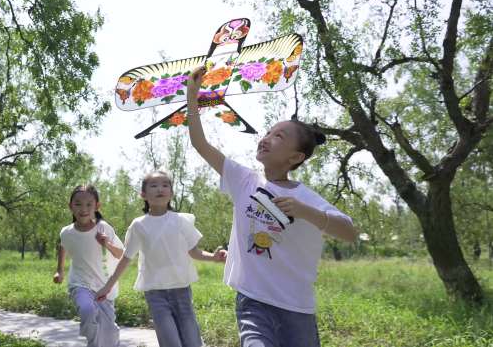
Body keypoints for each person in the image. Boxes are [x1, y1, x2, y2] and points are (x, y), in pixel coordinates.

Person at [186, 66, 357, 347]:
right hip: (253, 302)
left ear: (295, 157)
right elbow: (200, 144)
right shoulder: (244, 180)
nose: (266, 137)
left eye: (278, 136)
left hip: (297, 308)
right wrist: (193, 97)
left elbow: (349, 232)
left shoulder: (307, 197)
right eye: (268, 132)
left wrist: (305, 212)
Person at [96, 171, 227, 347]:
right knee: (170, 342)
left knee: (192, 342)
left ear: (171, 193)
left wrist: (214, 257)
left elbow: (194, 251)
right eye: (154, 185)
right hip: (156, 294)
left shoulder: (181, 221)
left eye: (165, 185)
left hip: (181, 290)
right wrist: (107, 286)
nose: (160, 189)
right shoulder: (139, 225)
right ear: (143, 194)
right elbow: (126, 258)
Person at [53, 185, 124, 347]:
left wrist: (107, 243)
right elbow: (63, 247)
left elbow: (120, 254)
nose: (83, 209)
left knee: (109, 334)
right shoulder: (66, 232)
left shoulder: (103, 228)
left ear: (97, 206)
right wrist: (60, 271)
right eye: (78, 204)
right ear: (70, 206)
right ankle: (93, 340)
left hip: (103, 287)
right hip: (80, 284)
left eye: (88, 204)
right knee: (87, 310)